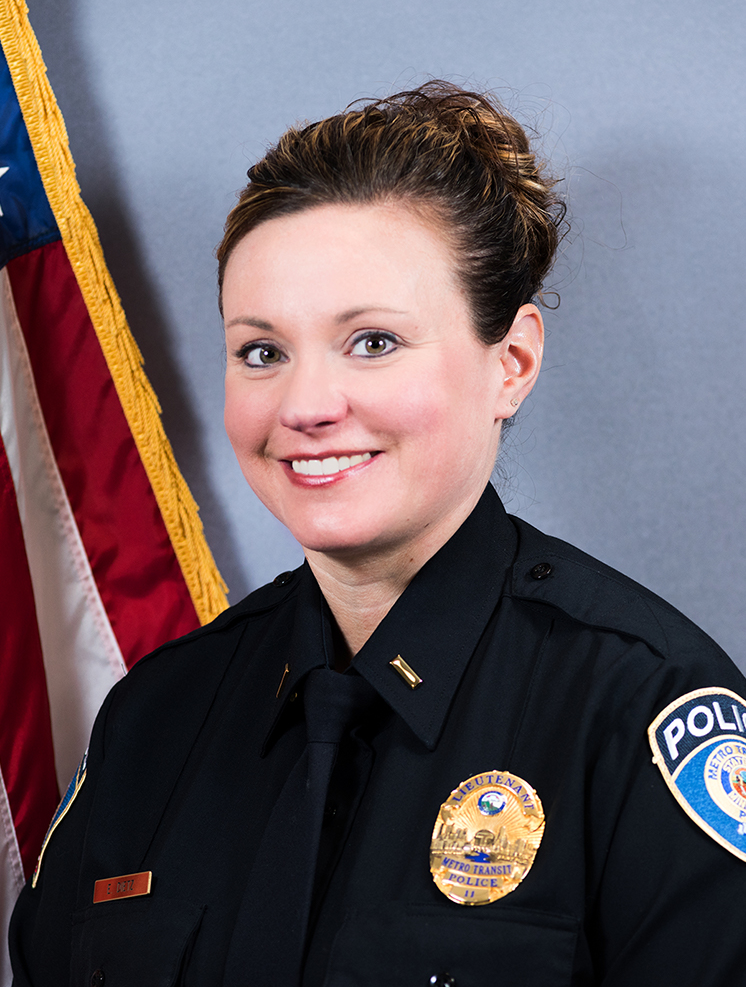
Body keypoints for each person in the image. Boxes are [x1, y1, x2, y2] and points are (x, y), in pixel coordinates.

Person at [10, 82, 746, 986]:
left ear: (512, 363)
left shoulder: (640, 708)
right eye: (262, 352)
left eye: (373, 343)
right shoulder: (155, 719)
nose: (306, 406)